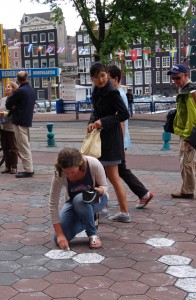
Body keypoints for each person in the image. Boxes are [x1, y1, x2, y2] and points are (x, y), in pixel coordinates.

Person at [89, 61, 131, 223]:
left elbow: (124, 114)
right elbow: (95, 111)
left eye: (103, 76)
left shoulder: (113, 92)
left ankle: (124, 212)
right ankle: (103, 207)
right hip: (100, 138)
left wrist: (103, 121)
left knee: (113, 176)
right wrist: (92, 122)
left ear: (107, 74)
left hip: (111, 138)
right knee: (99, 177)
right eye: (96, 77)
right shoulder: (96, 91)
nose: (100, 80)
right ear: (92, 79)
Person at [107, 65, 153, 208]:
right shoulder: (119, 92)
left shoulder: (116, 94)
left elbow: (120, 120)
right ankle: (143, 194)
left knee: (111, 170)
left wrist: (119, 142)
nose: (106, 82)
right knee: (119, 169)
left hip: (118, 140)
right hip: (120, 139)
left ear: (115, 79)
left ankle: (103, 203)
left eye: (108, 79)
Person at [49, 147, 108, 249]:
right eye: (66, 172)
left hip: (97, 199)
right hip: (72, 202)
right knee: (58, 238)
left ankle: (92, 234)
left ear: (80, 164)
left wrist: (98, 191)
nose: (68, 175)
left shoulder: (93, 164)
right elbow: (53, 203)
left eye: (72, 172)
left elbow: (105, 186)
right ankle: (88, 219)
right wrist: (60, 235)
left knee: (80, 199)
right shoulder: (59, 173)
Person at [167, 64, 196, 199]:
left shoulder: (189, 92)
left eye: (178, 78)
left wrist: (188, 138)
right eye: (173, 79)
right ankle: (188, 187)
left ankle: (188, 190)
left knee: (186, 162)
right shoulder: (185, 90)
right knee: (189, 161)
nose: (175, 81)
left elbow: (192, 117)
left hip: (188, 134)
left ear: (186, 75)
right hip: (185, 132)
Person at [6, 71, 36, 178]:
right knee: (26, 145)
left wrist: (13, 105)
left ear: (18, 80)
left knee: (23, 147)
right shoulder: (32, 91)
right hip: (27, 121)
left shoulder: (19, 91)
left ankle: (28, 170)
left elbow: (8, 104)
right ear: (27, 78)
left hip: (19, 121)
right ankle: (30, 167)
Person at [0, 81, 18, 174]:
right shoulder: (3, 99)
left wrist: (5, 114)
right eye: (6, 87)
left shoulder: (15, 99)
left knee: (13, 148)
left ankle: (14, 167)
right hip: (2, 127)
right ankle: (7, 166)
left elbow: (15, 112)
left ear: (13, 89)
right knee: (5, 147)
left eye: (9, 87)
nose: (6, 88)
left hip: (11, 127)